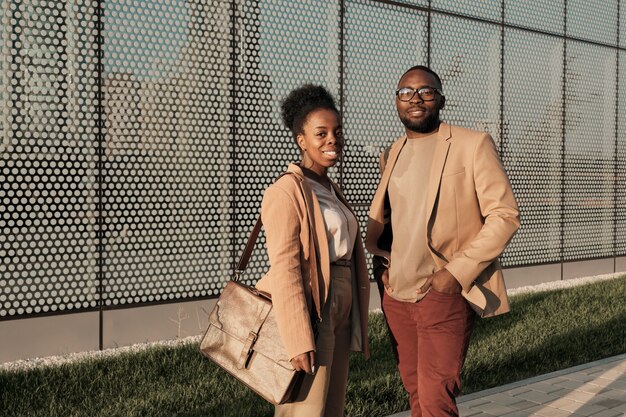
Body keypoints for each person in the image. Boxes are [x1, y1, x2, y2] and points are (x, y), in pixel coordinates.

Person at [365, 65, 520, 417]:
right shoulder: (392, 152)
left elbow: (505, 215)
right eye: (406, 91)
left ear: (441, 99)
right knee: (416, 390)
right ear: (396, 101)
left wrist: (455, 273)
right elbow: (393, 219)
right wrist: (383, 266)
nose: (415, 99)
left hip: (443, 291)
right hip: (397, 296)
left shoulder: (472, 144)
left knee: (436, 397)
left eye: (426, 91)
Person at [255, 84, 370, 417]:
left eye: (336, 131)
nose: (332, 139)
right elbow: (285, 268)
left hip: (341, 300)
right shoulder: (286, 191)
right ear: (301, 140)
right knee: (305, 407)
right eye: (321, 133)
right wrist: (297, 339)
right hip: (314, 304)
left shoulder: (330, 188)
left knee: (332, 405)